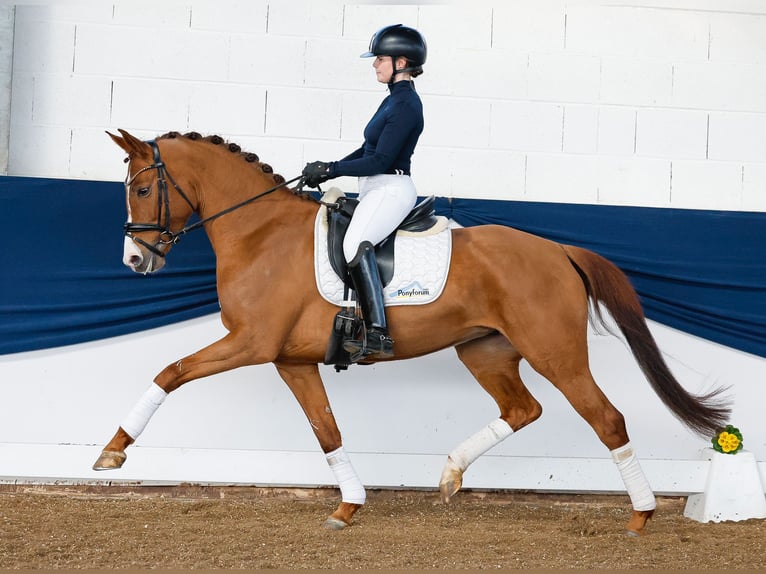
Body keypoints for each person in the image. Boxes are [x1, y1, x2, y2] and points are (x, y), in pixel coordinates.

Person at [302, 24, 427, 361]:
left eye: (380, 59)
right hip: (375, 188)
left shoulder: (405, 105)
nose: (374, 64)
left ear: (401, 62)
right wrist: (328, 169)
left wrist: (333, 169)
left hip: (391, 188)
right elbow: (366, 149)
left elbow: (380, 160)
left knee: (354, 243)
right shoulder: (393, 101)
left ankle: (377, 333)